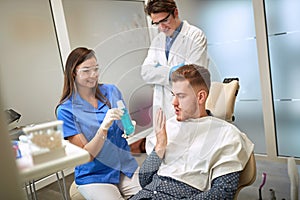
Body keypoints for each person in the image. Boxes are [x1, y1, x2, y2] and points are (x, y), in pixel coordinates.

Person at [130, 64, 254, 199]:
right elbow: (144, 181)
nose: (173, 102)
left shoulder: (226, 134)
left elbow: (222, 193)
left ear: (200, 97)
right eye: (173, 95)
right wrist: (160, 147)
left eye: (181, 96)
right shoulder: (169, 127)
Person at [55, 47, 141, 200]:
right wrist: (104, 128)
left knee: (149, 195)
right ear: (73, 72)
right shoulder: (66, 110)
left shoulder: (111, 91)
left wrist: (129, 126)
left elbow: (124, 122)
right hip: (94, 175)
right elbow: (86, 156)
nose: (93, 75)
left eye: (96, 69)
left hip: (124, 166)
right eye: (86, 71)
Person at [141, 0, 209, 153]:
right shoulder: (157, 40)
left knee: (188, 151)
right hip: (162, 103)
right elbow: (145, 72)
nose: (161, 27)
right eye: (156, 23)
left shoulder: (195, 36)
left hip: (186, 103)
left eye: (165, 20)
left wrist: (159, 70)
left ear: (176, 13)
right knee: (163, 151)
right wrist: (173, 71)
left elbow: (191, 76)